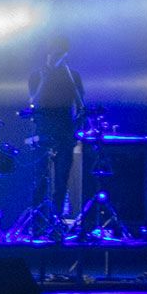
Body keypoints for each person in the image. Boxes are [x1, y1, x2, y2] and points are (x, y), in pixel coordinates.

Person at [27, 37, 86, 217]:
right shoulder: (37, 75)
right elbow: (33, 103)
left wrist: (75, 128)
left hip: (65, 133)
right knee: (40, 180)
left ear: (65, 55)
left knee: (61, 181)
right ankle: (36, 222)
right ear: (47, 53)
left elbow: (81, 105)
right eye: (53, 53)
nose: (55, 57)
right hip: (43, 131)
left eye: (60, 54)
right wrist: (46, 79)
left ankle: (56, 221)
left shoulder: (72, 75)